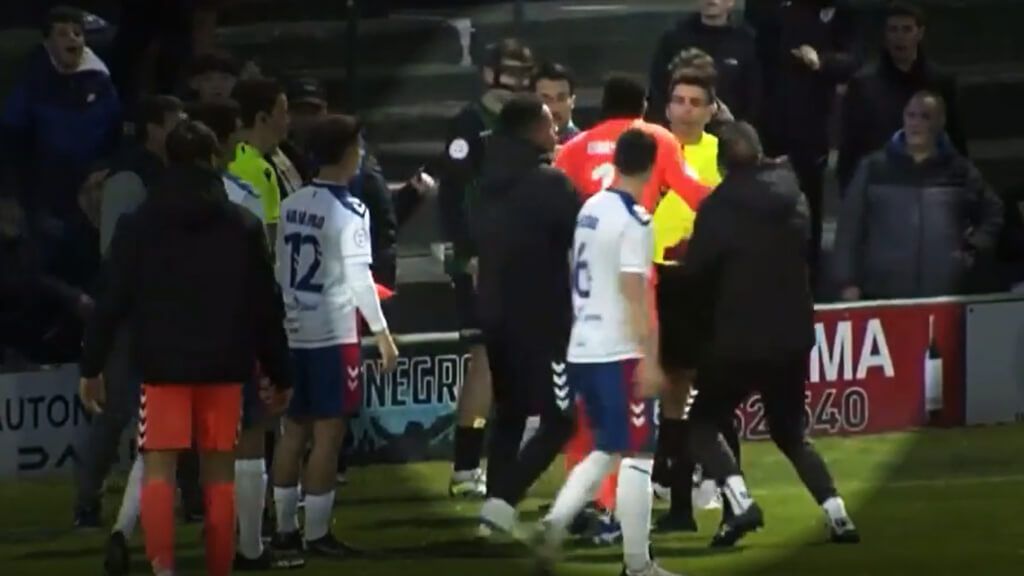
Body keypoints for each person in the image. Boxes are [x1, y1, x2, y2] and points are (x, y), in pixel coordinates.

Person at [78, 119, 293, 576]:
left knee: (159, 468)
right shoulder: (242, 224)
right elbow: (265, 307)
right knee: (219, 474)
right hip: (224, 367)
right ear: (214, 159)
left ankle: (163, 569)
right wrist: (280, 370)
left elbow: (111, 301)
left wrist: (92, 365)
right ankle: (219, 567)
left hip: (162, 366)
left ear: (169, 160)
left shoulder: (139, 225)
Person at [682, 121, 859, 548]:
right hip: (792, 335)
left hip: (737, 339)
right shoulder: (793, 194)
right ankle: (838, 515)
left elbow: (698, 275)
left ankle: (740, 502)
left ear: (722, 162)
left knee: (702, 422)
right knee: (791, 432)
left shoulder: (718, 208)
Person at [553, 73, 708, 544]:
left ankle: (572, 513)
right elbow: (695, 196)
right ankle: (617, 530)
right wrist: (651, 356)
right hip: (620, 335)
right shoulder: (652, 159)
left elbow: (553, 205)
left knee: (591, 430)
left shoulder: (579, 168)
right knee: (636, 448)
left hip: (579, 324)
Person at [536, 128, 676, 576]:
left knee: (606, 447)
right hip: (619, 351)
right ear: (654, 167)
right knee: (638, 455)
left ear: (616, 161)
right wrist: (650, 358)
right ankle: (638, 565)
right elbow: (635, 289)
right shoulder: (636, 220)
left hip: (584, 349)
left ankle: (557, 521)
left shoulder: (591, 208)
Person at [270, 114, 399, 562]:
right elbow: (360, 279)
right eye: (358, 147)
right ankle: (317, 534)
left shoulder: (291, 204)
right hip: (331, 334)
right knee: (328, 435)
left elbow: (279, 268)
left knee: (292, 431)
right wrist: (381, 333)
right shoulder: (350, 210)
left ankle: (283, 532)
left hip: (293, 329)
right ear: (347, 153)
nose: (361, 154)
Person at [72, 95, 185, 574]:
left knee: (146, 420)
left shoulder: (148, 175)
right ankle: (88, 503)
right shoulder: (131, 178)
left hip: (143, 312)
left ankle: (141, 507)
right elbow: (118, 257)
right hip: (130, 315)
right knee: (119, 412)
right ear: (155, 129)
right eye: (175, 122)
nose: (181, 129)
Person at [472, 94, 580, 536]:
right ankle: (500, 503)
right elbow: (583, 236)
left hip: (495, 316)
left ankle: (494, 513)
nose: (555, 131)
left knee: (511, 412)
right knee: (561, 420)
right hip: (544, 320)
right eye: (549, 124)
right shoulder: (550, 185)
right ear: (530, 131)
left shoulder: (481, 182)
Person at [438, 38, 535, 498]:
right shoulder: (469, 124)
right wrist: (469, 253)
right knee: (483, 364)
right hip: (482, 259)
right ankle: (464, 466)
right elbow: (455, 194)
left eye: (522, 71)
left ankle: (493, 460)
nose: (514, 80)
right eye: (508, 70)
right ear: (487, 73)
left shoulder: (519, 124)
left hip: (515, 257)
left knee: (507, 364)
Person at [649, 71, 738, 534]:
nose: (685, 109)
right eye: (678, 100)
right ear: (667, 107)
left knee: (714, 396)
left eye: (694, 101)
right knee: (673, 397)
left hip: (704, 284)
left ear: (710, 109)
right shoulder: (649, 147)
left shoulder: (720, 153)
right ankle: (679, 505)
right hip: (654, 281)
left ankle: (729, 502)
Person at [833, 91, 1003, 301]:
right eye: (911, 115)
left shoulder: (959, 170)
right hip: (883, 292)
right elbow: (849, 227)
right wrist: (848, 281)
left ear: (940, 122)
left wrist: (972, 250)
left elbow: (993, 213)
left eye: (925, 117)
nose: (915, 123)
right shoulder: (873, 167)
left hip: (945, 293)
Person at [746, 0, 860, 286]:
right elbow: (754, 19)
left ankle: (810, 276)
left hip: (810, 126)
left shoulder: (835, 11)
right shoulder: (770, 11)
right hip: (767, 123)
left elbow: (852, 59)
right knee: (764, 203)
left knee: (808, 203)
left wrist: (822, 61)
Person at [1, 5, 121, 233]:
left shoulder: (101, 83)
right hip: (45, 187)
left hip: (93, 182)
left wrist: (104, 169)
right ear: (48, 43)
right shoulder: (33, 84)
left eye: (77, 33)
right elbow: (12, 137)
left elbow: (114, 132)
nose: (72, 38)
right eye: (63, 33)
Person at [837, 1, 966, 190]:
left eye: (906, 29)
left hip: (931, 185)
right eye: (893, 30)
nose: (899, 36)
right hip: (880, 188)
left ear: (919, 33)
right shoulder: (863, 85)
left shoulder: (940, 82)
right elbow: (850, 148)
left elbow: (956, 140)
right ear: (885, 35)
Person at [646, 0, 760, 126]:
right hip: (679, 132)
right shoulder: (674, 39)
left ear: (731, 1)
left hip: (728, 134)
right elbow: (657, 92)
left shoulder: (746, 41)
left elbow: (755, 98)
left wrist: (737, 129)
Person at [229, 77, 291, 240]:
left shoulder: (276, 159)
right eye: (283, 113)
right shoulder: (258, 170)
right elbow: (271, 237)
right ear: (262, 118)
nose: (288, 121)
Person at [533, 62, 580, 144]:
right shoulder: (520, 148)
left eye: (561, 98)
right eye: (545, 99)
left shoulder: (586, 147)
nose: (553, 107)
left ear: (572, 101)